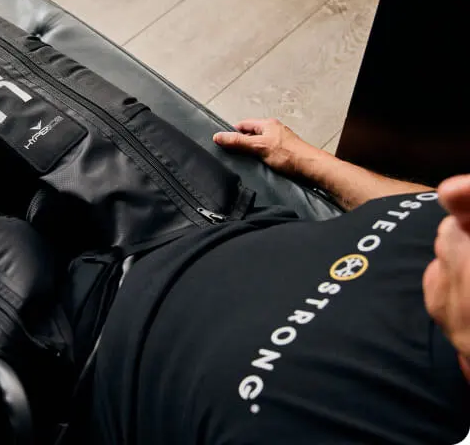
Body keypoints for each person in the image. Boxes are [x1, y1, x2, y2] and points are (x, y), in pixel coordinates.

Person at [90, 118, 470, 444]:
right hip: (212, 215)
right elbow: (437, 204)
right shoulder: (458, 222)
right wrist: (304, 157)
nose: (456, 193)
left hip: (93, 358)